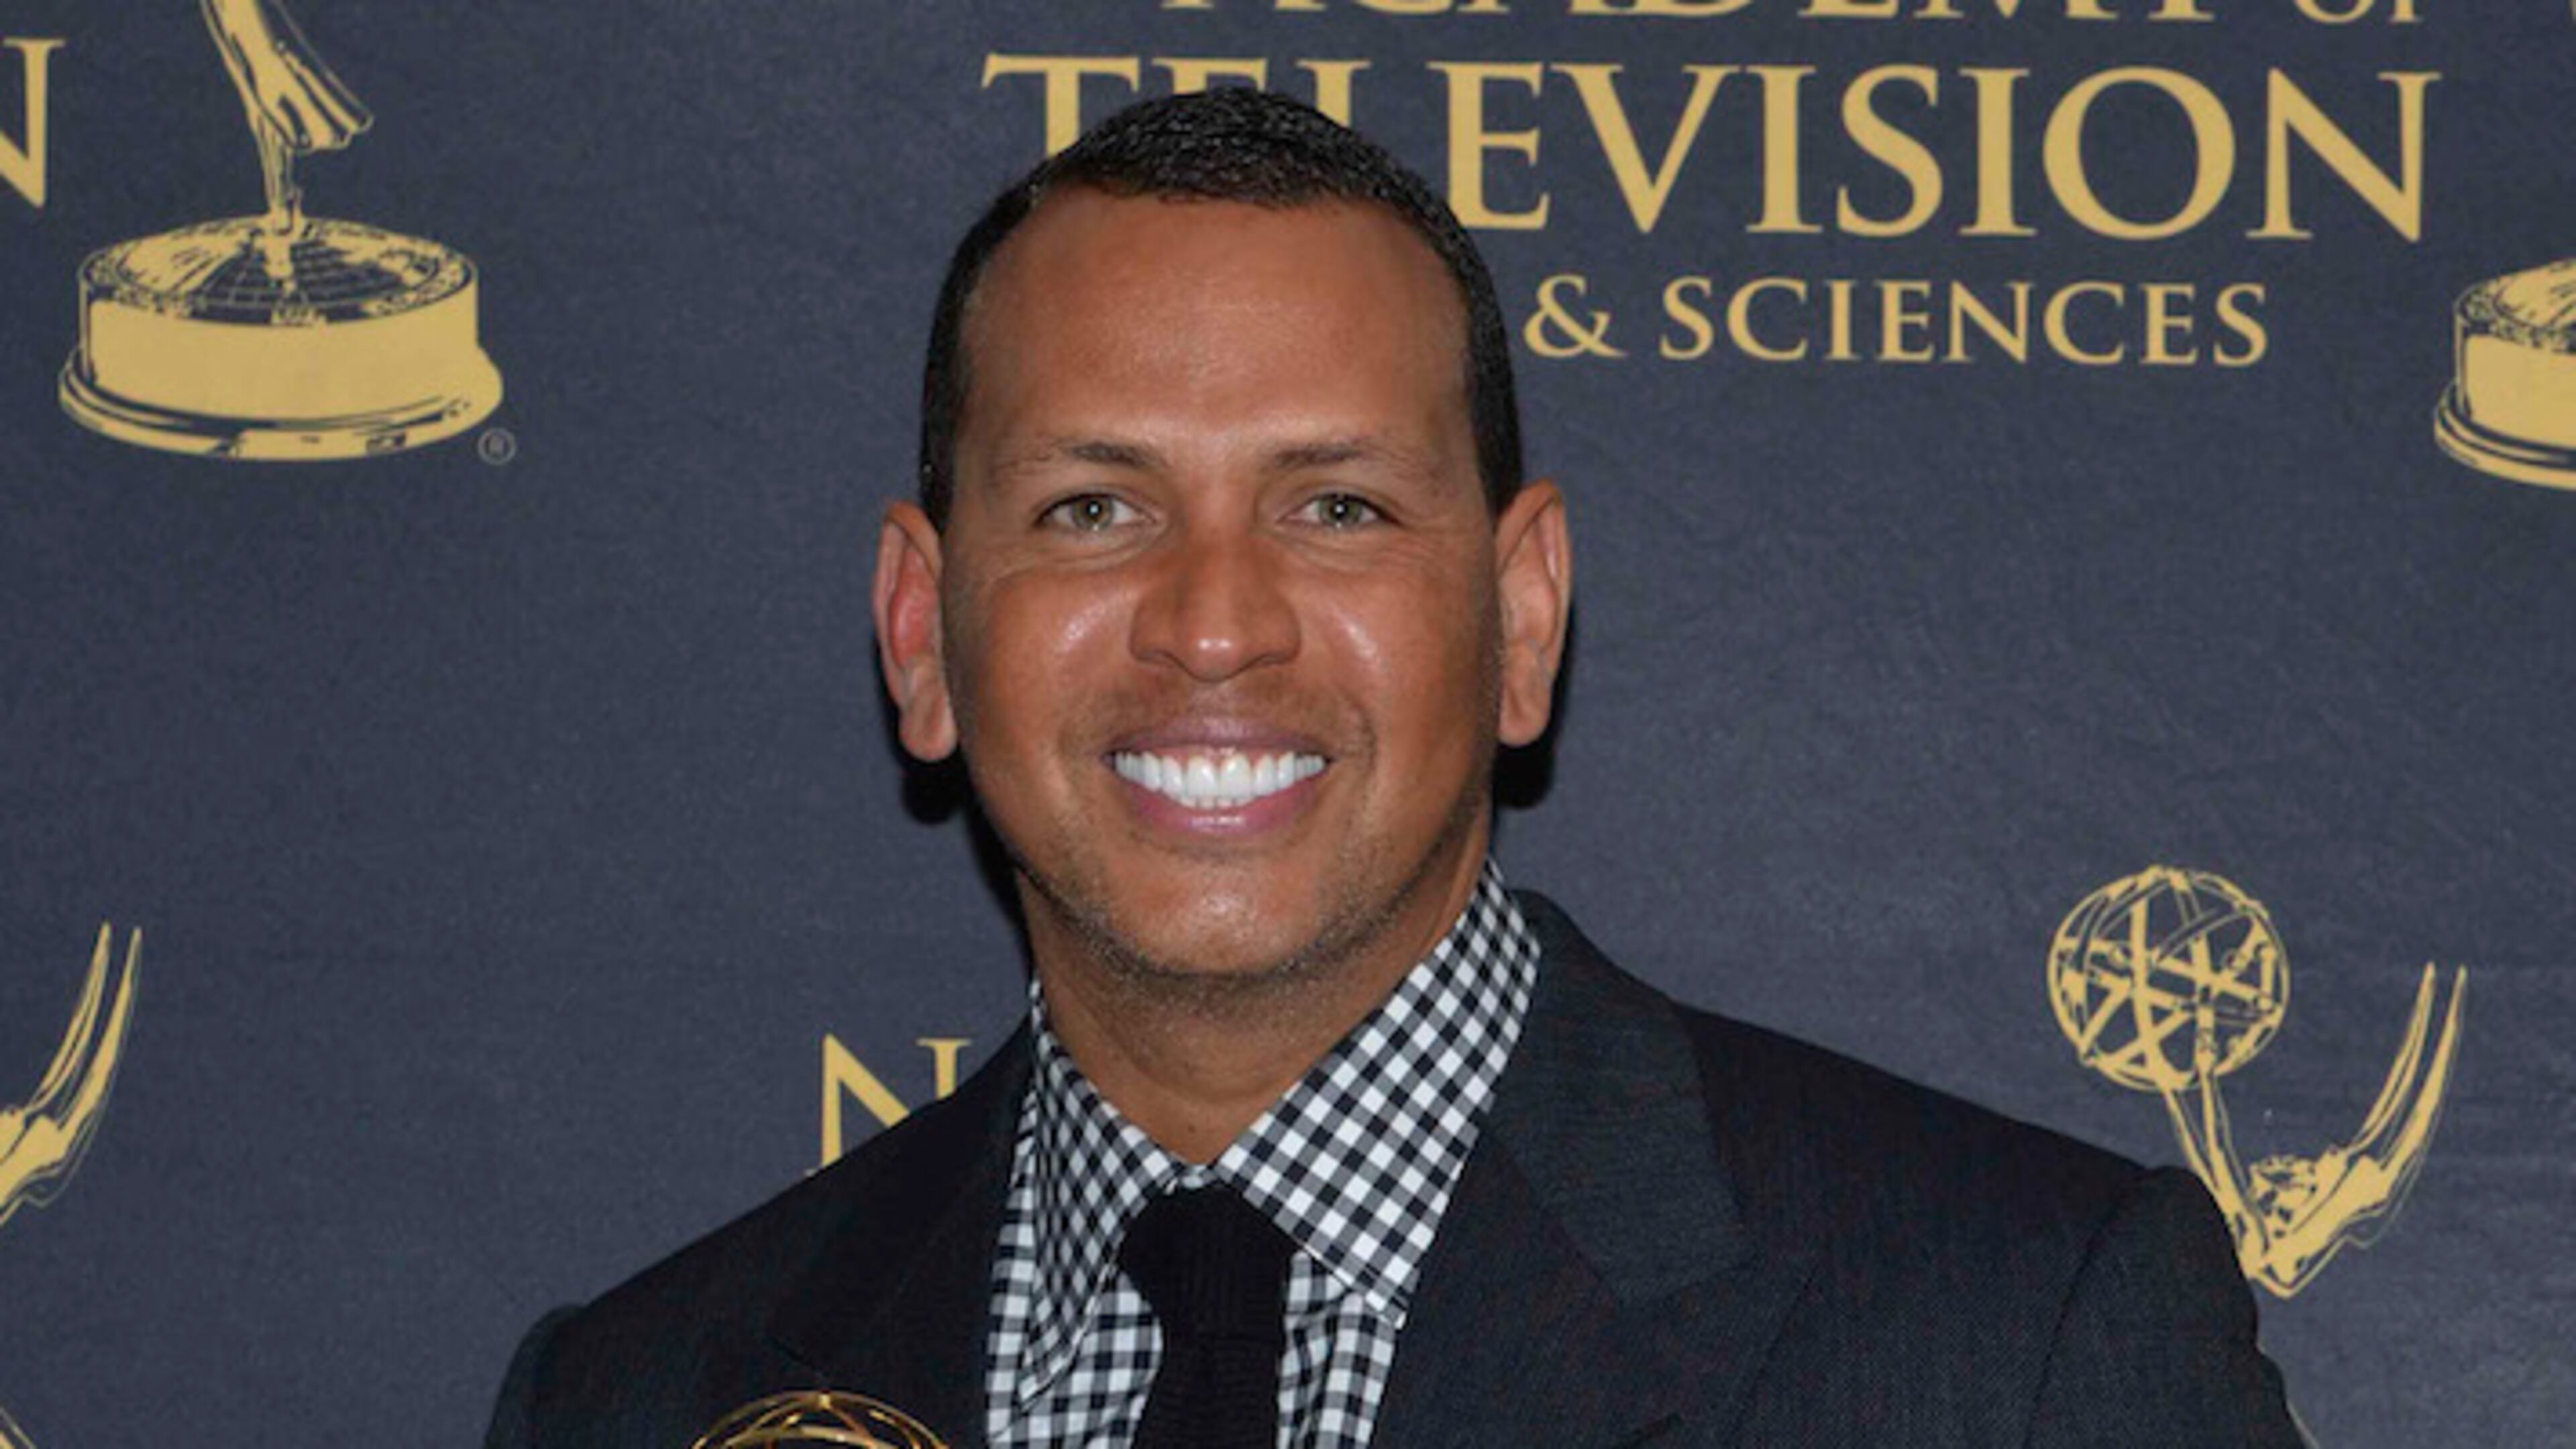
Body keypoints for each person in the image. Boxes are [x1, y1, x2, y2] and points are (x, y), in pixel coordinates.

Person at [486, 89, 2301, 1448]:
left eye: (1335, 506)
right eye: (1095, 507)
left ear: (1520, 619)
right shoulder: (640, 1399)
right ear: (920, 630)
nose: (1212, 625)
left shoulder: (2025, 1341)